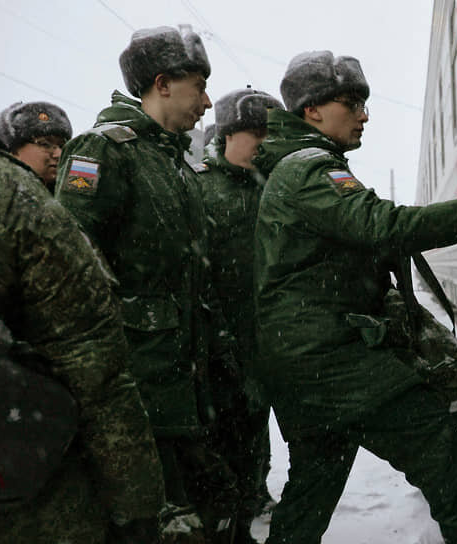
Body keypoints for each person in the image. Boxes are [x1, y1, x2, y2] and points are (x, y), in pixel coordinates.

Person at [252, 50, 457, 544]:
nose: (364, 114)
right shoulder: (310, 169)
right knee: (431, 437)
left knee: (314, 484)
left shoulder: (298, 167)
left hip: (300, 359)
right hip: (326, 358)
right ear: (311, 110)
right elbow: (385, 225)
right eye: (351, 102)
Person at [55, 24, 239, 543]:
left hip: (182, 380)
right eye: (198, 87)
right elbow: (71, 262)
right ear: (162, 83)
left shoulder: (172, 160)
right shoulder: (105, 150)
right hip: (137, 384)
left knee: (212, 508)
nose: (206, 102)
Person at [0, 132, 165, 543]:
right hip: (20, 477)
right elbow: (90, 359)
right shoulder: (12, 195)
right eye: (41, 141)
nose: (56, 152)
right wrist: (136, 504)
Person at [195, 87, 284, 543]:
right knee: (224, 452)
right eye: (256, 133)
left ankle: (252, 501)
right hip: (218, 349)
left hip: (267, 340)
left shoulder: (277, 185)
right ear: (229, 133)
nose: (265, 143)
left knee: (255, 441)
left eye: (271, 134)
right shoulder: (200, 186)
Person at [0, 101, 72, 193]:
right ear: (12, 151)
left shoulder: (70, 198)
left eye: (62, 146)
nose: (59, 154)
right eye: (45, 144)